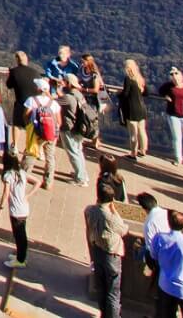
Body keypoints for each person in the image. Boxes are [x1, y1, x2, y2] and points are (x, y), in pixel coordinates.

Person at [85, 182, 128, 318]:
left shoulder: (90, 210)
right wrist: (114, 210)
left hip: (97, 250)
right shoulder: (111, 218)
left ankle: (104, 314)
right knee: (113, 293)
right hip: (111, 256)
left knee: (102, 287)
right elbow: (124, 230)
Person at [23, 79, 61, 190]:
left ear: (38, 89)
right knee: (50, 157)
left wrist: (29, 126)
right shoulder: (53, 103)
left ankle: (24, 175)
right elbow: (59, 121)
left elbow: (26, 115)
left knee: (31, 154)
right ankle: (48, 182)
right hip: (51, 134)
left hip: (36, 132)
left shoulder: (31, 100)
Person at [57, 73, 92, 187]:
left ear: (69, 83)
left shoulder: (68, 97)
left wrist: (57, 88)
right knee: (78, 151)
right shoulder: (79, 95)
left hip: (69, 127)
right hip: (80, 127)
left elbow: (52, 101)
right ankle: (82, 174)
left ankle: (80, 178)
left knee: (73, 153)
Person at [0, 150, 30, 269]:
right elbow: (37, 181)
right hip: (24, 207)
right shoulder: (22, 173)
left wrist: (0, 207)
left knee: (19, 235)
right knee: (21, 234)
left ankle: (20, 260)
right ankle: (20, 256)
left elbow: (6, 193)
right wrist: (28, 195)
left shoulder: (8, 176)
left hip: (16, 210)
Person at [8, 50, 45, 154]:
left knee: (17, 125)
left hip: (21, 101)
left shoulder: (14, 72)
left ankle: (15, 146)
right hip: (35, 103)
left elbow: (9, 85)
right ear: (27, 59)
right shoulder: (35, 72)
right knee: (33, 125)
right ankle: (33, 147)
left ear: (17, 60)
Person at [162, 67, 183, 167]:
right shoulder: (169, 86)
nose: (175, 78)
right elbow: (160, 90)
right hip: (173, 114)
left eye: (176, 75)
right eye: (172, 76)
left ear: (181, 76)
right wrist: (166, 96)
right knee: (177, 138)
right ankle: (178, 158)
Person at [121, 59, 150, 160]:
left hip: (132, 109)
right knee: (142, 131)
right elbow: (146, 93)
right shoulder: (140, 78)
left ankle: (133, 153)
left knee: (133, 133)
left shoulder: (128, 79)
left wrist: (119, 94)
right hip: (141, 107)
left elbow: (125, 94)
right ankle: (143, 150)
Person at [80, 53, 107, 147]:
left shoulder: (94, 74)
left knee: (93, 119)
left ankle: (95, 141)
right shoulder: (82, 70)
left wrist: (84, 89)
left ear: (88, 62)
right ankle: (88, 137)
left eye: (83, 61)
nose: (82, 63)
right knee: (84, 118)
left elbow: (96, 89)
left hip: (92, 99)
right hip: (84, 98)